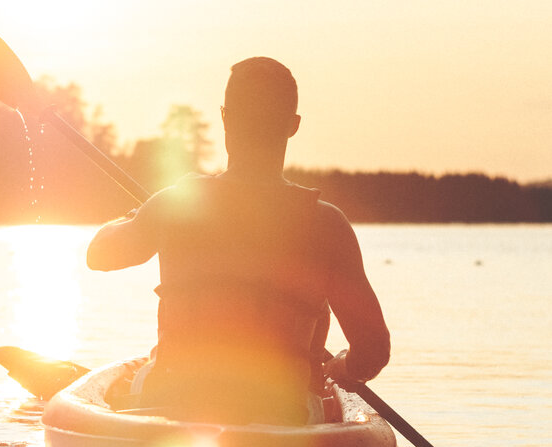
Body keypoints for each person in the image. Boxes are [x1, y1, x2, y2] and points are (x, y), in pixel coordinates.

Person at [86, 57, 389, 425]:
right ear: (292, 126)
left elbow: (99, 254)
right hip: (281, 412)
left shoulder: (174, 204)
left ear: (226, 118)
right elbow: (373, 351)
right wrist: (343, 368)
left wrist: (135, 218)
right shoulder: (326, 224)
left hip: (173, 399)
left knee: (139, 380)